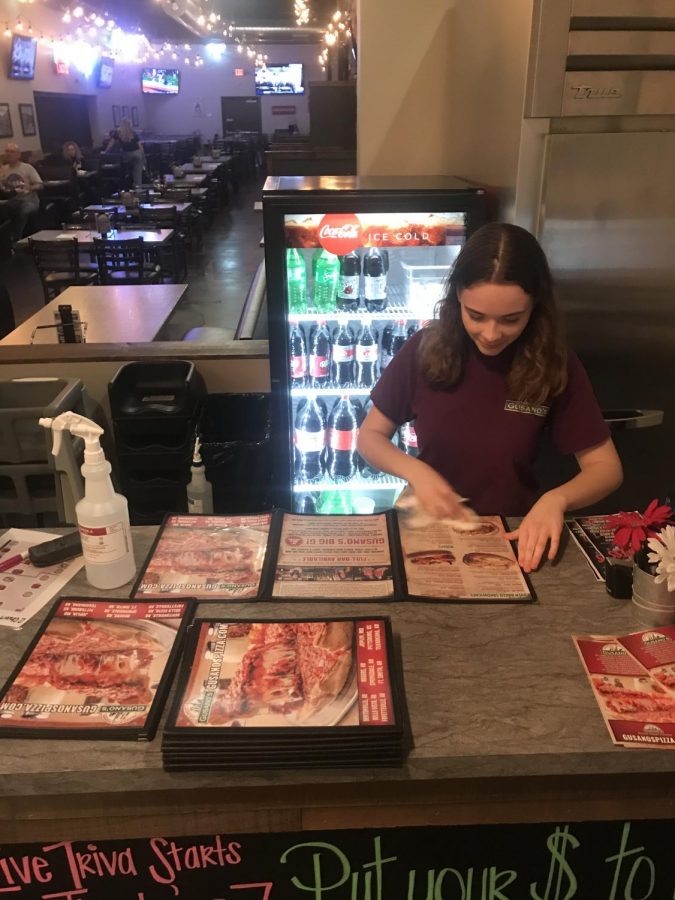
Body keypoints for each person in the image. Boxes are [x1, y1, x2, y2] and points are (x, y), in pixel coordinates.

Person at [357, 222, 623, 573]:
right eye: (476, 316)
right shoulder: (426, 349)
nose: (491, 334)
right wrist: (417, 472)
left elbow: (606, 469)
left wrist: (556, 500)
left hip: (513, 532)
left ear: (535, 307)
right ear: (457, 300)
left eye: (511, 319)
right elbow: (369, 437)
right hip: (426, 528)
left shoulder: (553, 362)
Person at [0, 142, 43, 242]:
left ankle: (16, 239)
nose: (8, 154)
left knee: (22, 211)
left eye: (12, 152)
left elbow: (40, 185)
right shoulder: (3, 169)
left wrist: (29, 187)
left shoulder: (27, 168)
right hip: (12, 201)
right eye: (7, 151)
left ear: (18, 154)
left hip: (29, 201)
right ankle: (4, 241)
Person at [116, 118, 145, 188]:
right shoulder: (133, 132)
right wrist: (143, 156)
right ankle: (138, 189)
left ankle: (126, 188)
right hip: (137, 153)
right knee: (137, 173)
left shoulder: (118, 132)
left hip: (126, 155)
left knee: (126, 171)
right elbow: (140, 145)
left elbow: (112, 143)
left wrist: (106, 151)